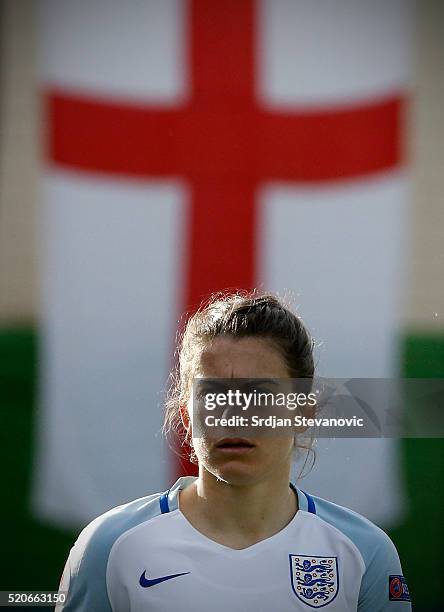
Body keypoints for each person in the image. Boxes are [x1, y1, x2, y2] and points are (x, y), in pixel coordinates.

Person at [56, 291, 411, 611]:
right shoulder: (109, 546)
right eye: (212, 396)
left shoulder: (363, 554)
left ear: (304, 411)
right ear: (186, 414)